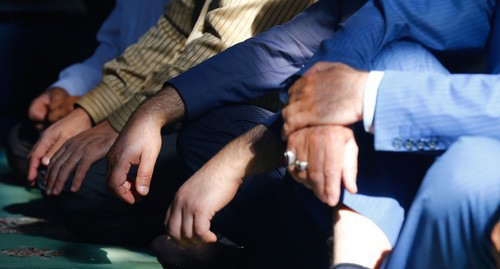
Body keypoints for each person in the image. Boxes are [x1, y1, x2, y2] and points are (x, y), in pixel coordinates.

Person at [107, 0, 499, 267]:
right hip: (387, 163)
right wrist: (155, 110)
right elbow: (381, 17)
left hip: (458, 162)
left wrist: (366, 96)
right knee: (209, 136)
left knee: (461, 170)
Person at [26, 0, 316, 249]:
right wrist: (89, 113)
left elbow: (222, 49)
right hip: (200, 108)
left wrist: (124, 121)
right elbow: (172, 33)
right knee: (33, 148)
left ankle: (223, 239)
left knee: (82, 188)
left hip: (246, 120)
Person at [7, 0, 169, 180]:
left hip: (158, 116)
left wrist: (91, 111)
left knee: (78, 179)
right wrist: (66, 89)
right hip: (114, 97)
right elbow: (113, 50)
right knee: (21, 142)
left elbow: (175, 70)